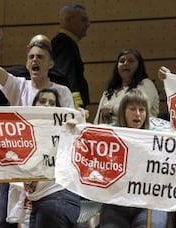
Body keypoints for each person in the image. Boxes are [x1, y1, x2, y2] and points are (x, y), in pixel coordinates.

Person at [0, 24, 75, 228]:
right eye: (31, 56)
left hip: (47, 174)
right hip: (17, 168)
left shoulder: (63, 92)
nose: (35, 60)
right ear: (27, 63)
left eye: (40, 57)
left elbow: (72, 127)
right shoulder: (18, 85)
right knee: (5, 223)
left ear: (50, 64)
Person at [99, 88, 168, 228]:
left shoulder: (158, 134)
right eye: (132, 109)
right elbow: (86, 132)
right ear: (123, 111)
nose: (138, 114)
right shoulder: (110, 131)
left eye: (142, 110)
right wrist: (77, 121)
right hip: (116, 202)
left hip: (149, 202)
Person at [25, 88, 81, 228]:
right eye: (42, 101)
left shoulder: (66, 128)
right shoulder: (26, 131)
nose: (47, 105)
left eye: (52, 103)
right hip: (38, 199)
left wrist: (78, 122)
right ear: (34, 105)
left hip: (58, 196)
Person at [93, 48, 159, 124]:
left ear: (139, 66)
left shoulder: (146, 84)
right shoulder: (109, 90)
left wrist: (111, 109)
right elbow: (98, 116)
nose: (125, 63)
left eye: (131, 61)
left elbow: (141, 109)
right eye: (122, 61)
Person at [52, 2, 90, 108]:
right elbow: (66, 76)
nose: (88, 24)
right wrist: (76, 105)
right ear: (69, 20)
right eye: (83, 20)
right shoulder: (64, 43)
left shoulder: (67, 42)